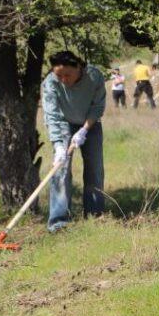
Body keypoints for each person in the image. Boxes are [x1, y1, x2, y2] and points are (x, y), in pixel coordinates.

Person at [41, 50, 107, 232]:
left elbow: (98, 106)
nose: (63, 79)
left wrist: (84, 130)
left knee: (95, 170)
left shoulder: (94, 76)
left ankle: (95, 215)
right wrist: (58, 146)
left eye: (67, 75)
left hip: (90, 124)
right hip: (63, 124)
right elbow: (52, 116)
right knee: (60, 170)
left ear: (79, 68)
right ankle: (58, 222)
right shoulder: (50, 83)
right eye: (59, 75)